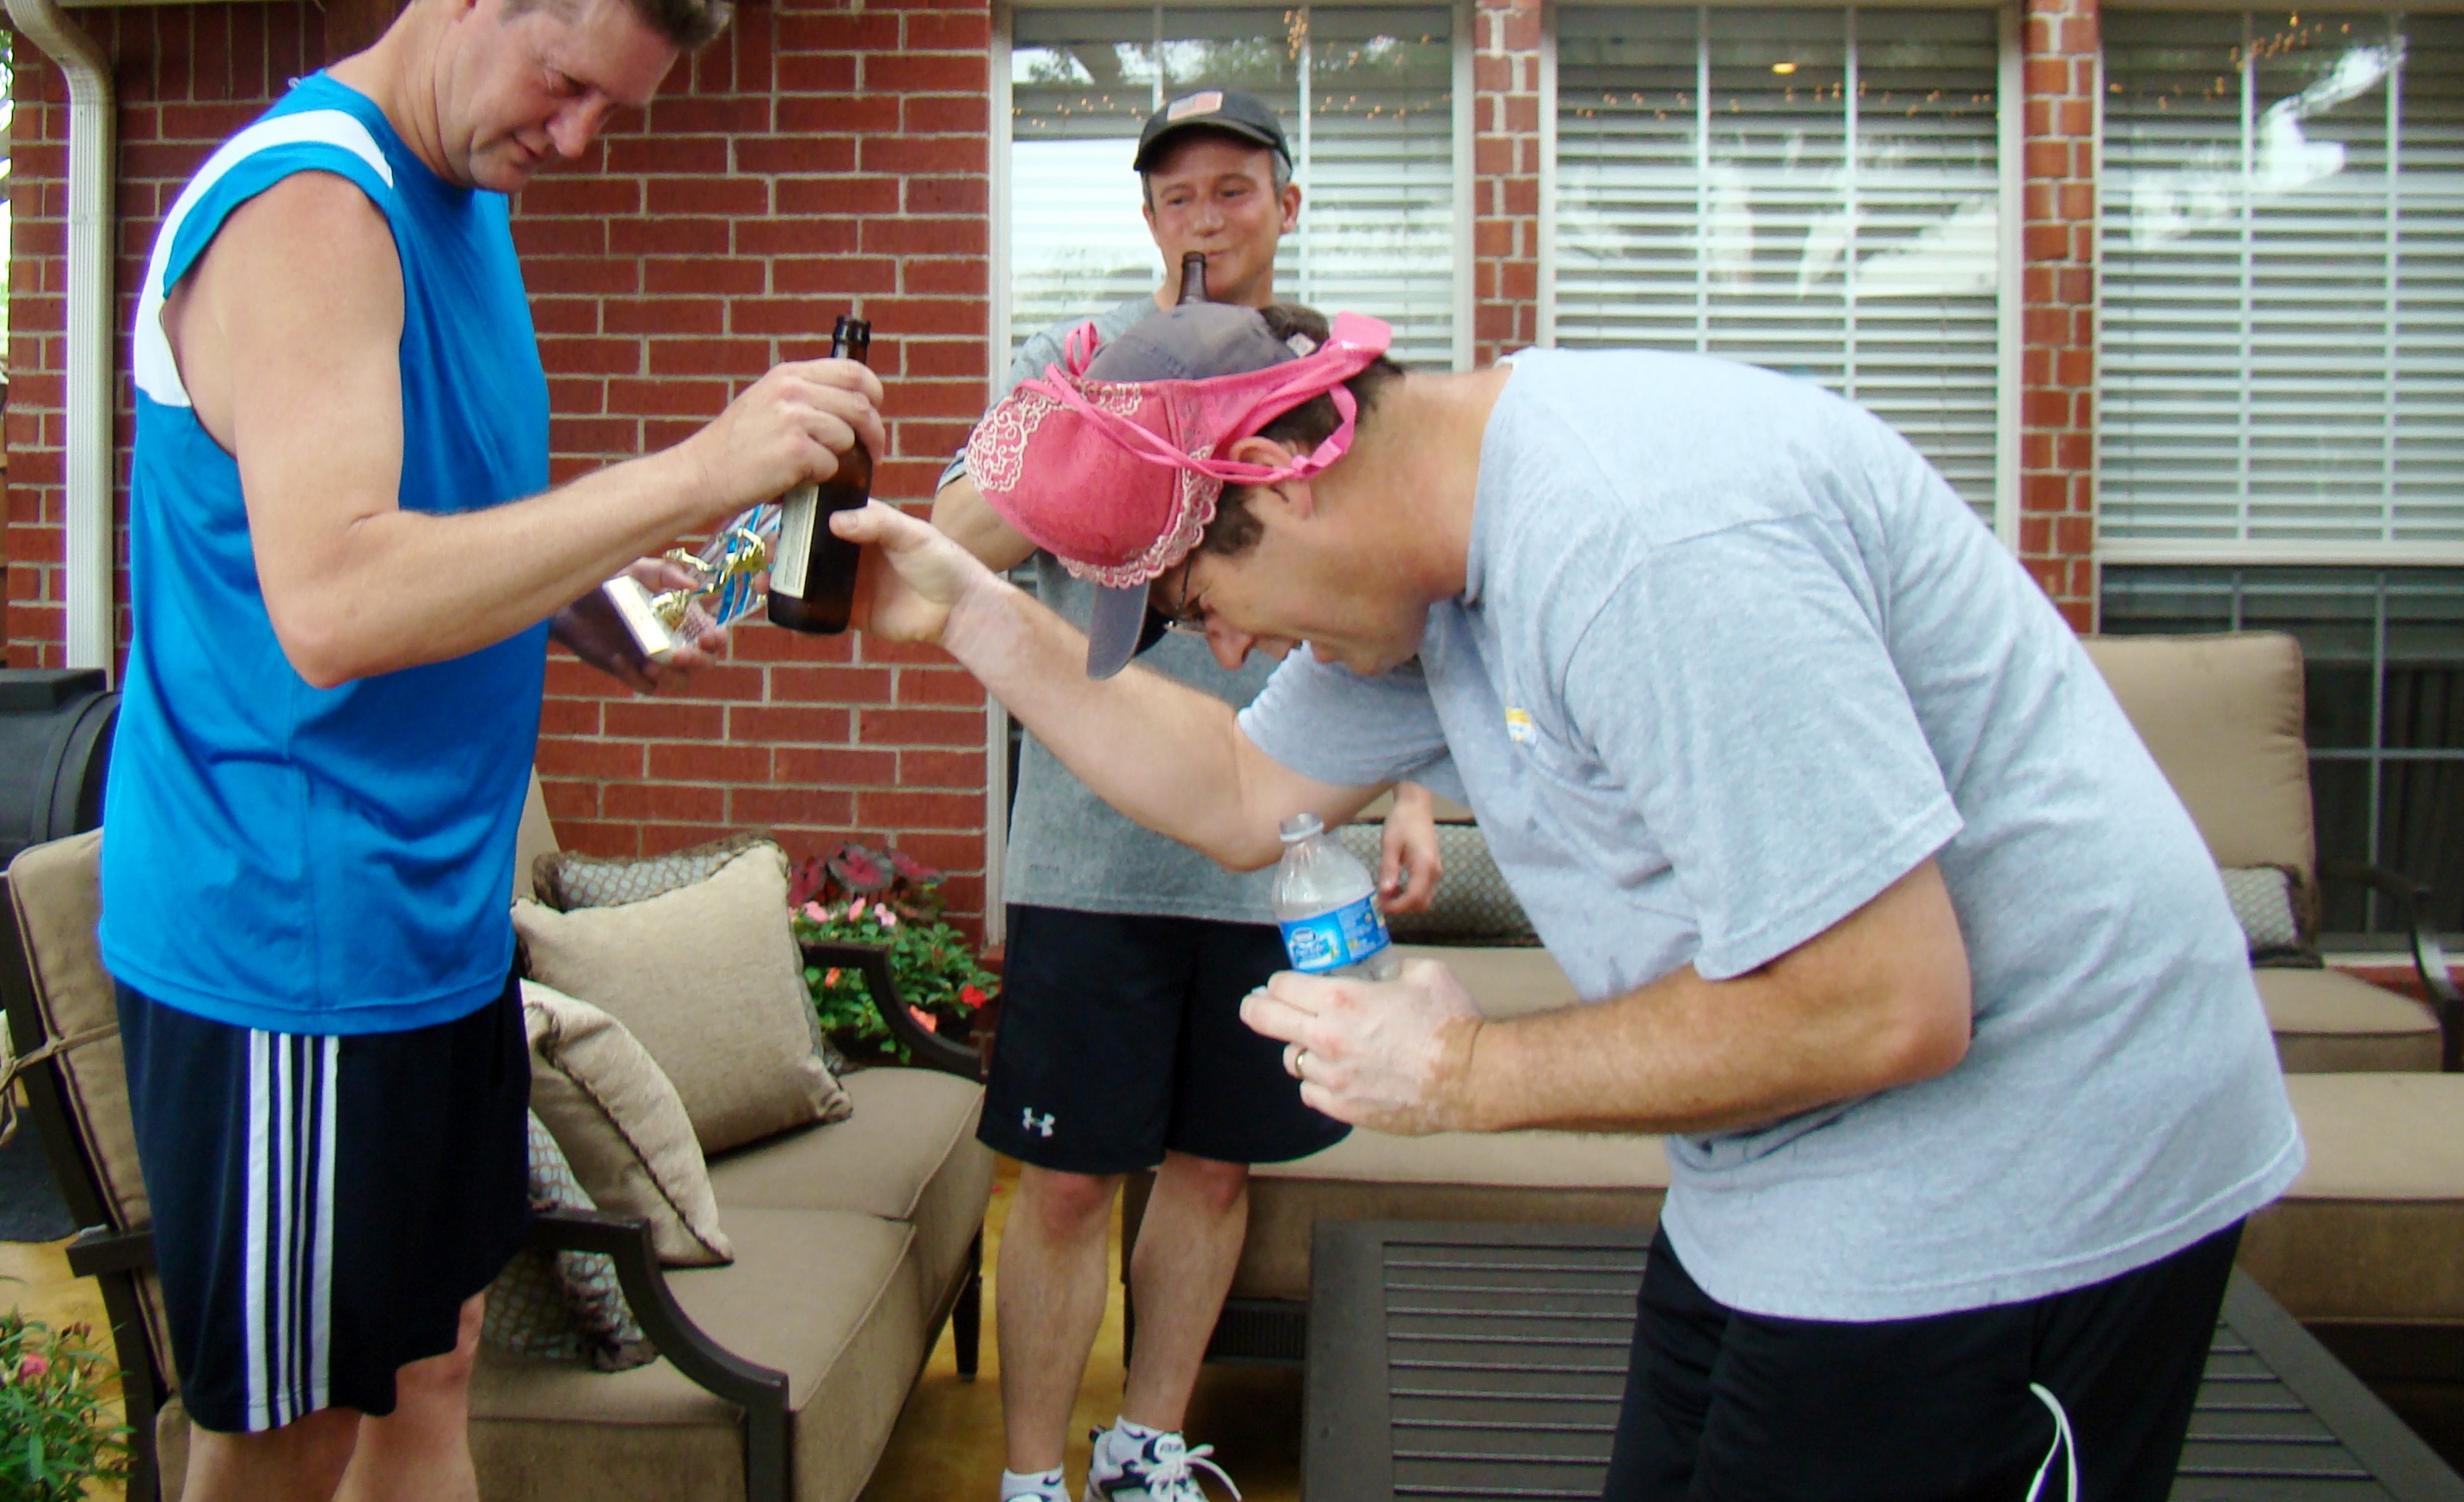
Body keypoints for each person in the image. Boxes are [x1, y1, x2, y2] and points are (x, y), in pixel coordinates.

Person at [843, 300, 2302, 1502]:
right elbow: (1236, 790)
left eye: (1194, 605)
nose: (1220, 651)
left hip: (2030, 1164)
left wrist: (1464, 1074)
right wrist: (966, 609)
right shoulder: (1430, 574)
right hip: (1779, 1173)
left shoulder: (1643, 542)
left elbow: (1883, 1004)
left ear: (1281, 474)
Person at [98, 0, 884, 1502]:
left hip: (431, 930)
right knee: (288, 1431)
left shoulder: (460, 192)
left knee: (432, 1370)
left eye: (616, 111)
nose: (579, 137)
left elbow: (430, 518)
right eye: (567, 83)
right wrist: (694, 471)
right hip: (294, 944)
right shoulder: (315, 206)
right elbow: (332, 600)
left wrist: (585, 595)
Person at [931, 89, 1442, 1502]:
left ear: (1285, 204)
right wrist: (1109, 414)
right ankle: (1030, 1477)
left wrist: (1405, 789)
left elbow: (1397, 603)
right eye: (1177, 195)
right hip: (1087, 853)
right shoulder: (1071, 358)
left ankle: (1144, 1448)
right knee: (1067, 1180)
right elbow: (952, 540)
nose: (1204, 218)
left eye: (1233, 189)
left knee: (1214, 1168)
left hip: (1275, 847)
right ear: (1148, 215)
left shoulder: (1330, 381)